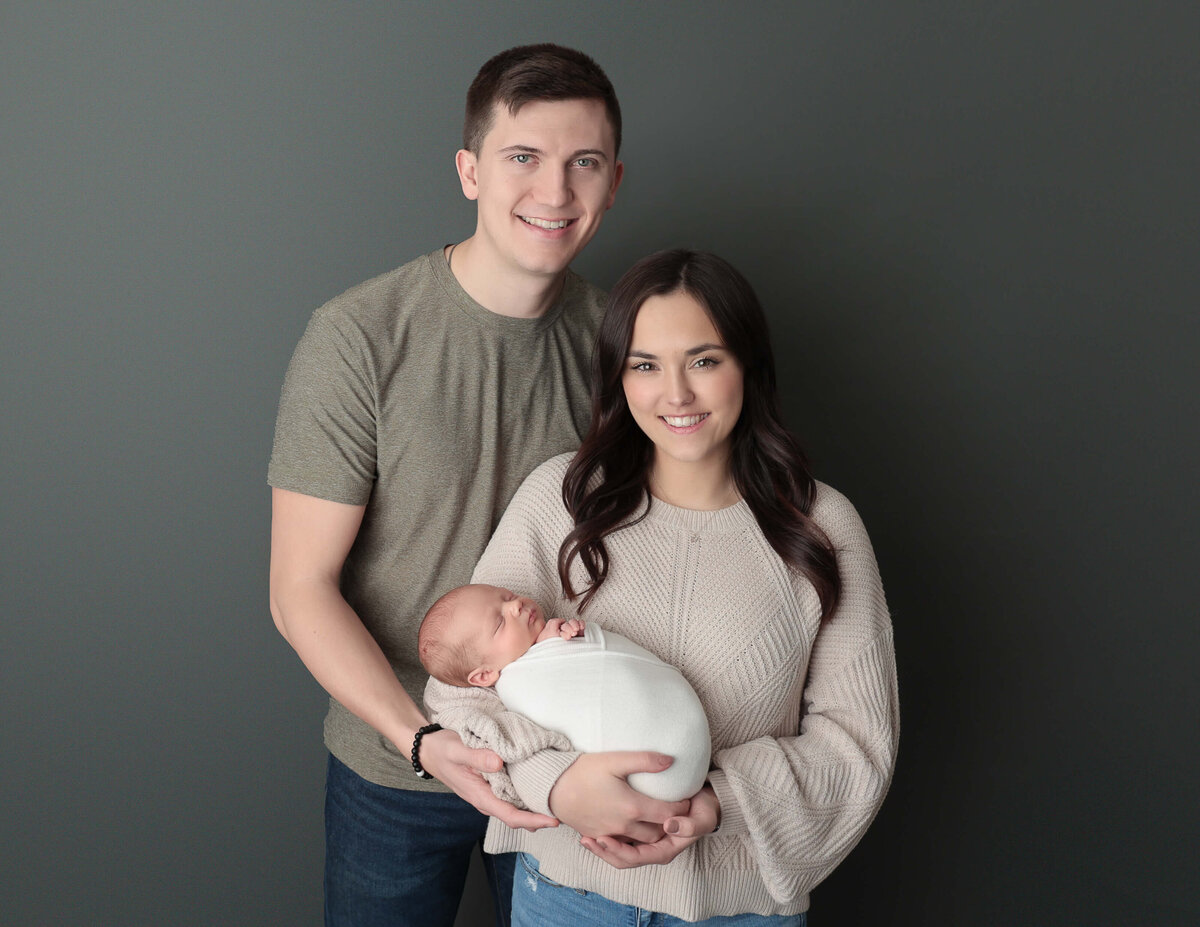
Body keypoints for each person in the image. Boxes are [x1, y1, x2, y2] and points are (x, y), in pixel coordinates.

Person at [425, 250, 900, 925]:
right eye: (645, 365)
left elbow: (858, 746)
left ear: (750, 367)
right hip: (566, 901)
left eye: (704, 360)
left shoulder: (823, 527)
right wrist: (555, 785)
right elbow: (457, 687)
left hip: (738, 912)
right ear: (618, 379)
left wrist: (716, 803)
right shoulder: (560, 499)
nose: (675, 394)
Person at [267, 44, 624, 926]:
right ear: (469, 170)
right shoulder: (359, 336)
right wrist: (424, 739)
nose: (554, 191)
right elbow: (298, 590)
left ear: (614, 181)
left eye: (583, 162)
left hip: (566, 762)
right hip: (397, 763)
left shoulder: (626, 346)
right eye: (522, 158)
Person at [418, 583, 711, 802]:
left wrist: (567, 637)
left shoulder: (549, 639)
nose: (515, 606)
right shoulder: (512, 689)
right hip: (645, 777)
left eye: (507, 596)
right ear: (484, 675)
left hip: (676, 731)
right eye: (499, 622)